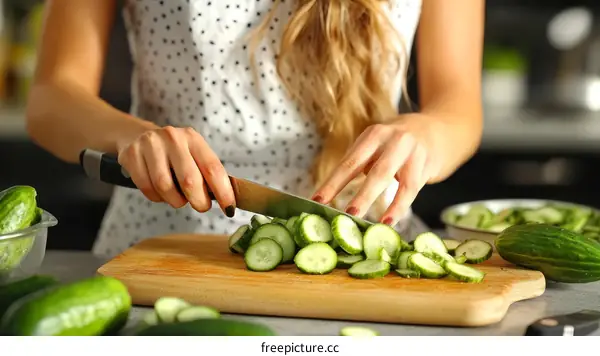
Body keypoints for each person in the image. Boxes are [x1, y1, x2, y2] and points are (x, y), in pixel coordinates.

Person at [25, 0, 484, 258]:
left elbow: (459, 105)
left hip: (359, 248)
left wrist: (427, 133)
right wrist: (129, 137)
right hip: (165, 248)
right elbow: (51, 98)